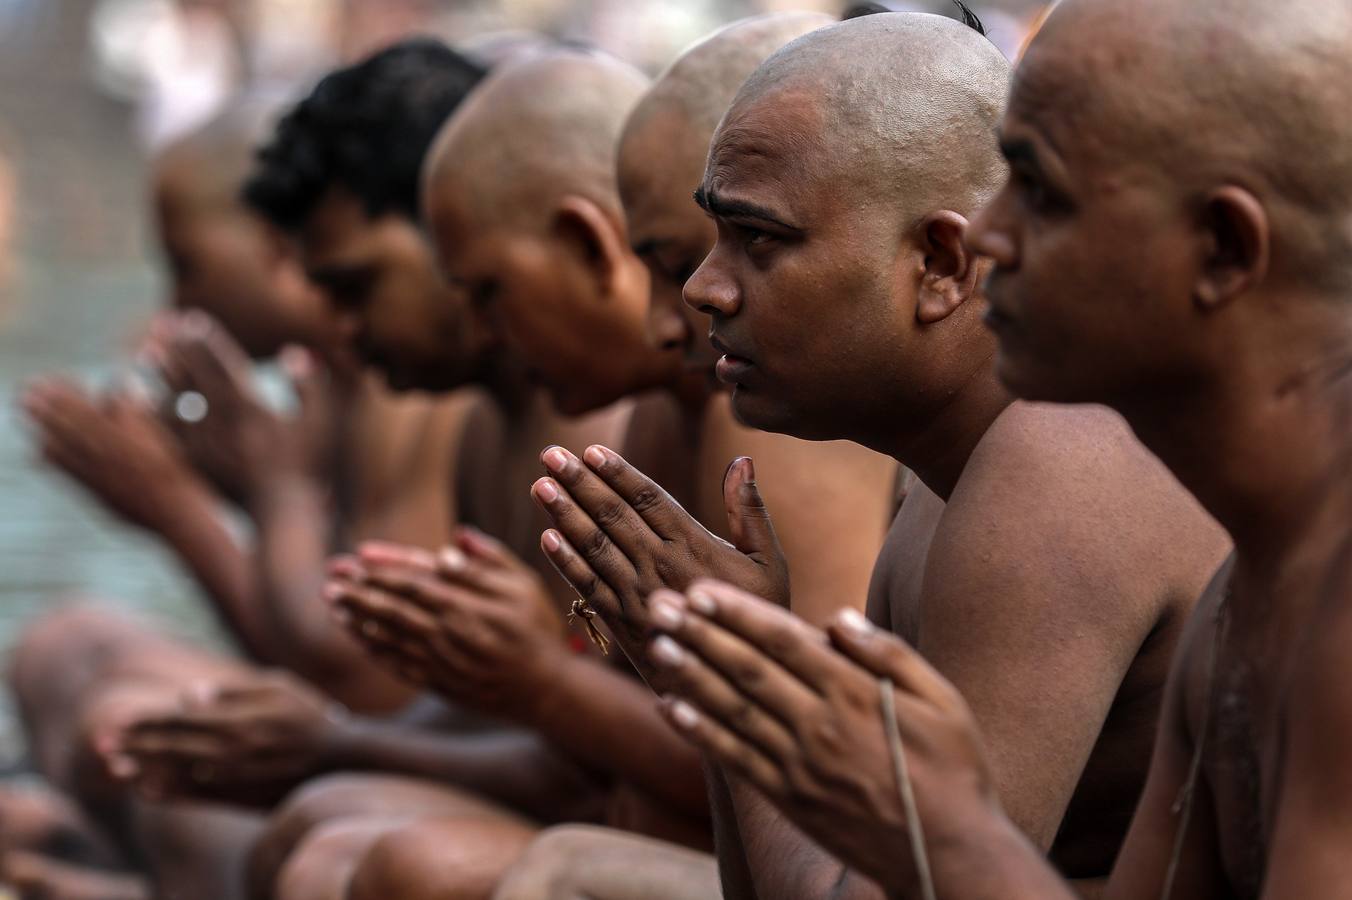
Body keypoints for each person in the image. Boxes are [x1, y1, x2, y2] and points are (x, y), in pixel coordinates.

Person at [649, 0, 1352, 897]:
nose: (981, 235)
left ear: (1221, 250)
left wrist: (935, 833)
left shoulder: (1307, 572)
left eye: (1039, 190)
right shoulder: (1256, 574)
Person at [529, 11, 1231, 899]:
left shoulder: (1061, 457)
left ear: (940, 262)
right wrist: (736, 676)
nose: (704, 289)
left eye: (760, 239)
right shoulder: (940, 479)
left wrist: (736, 685)